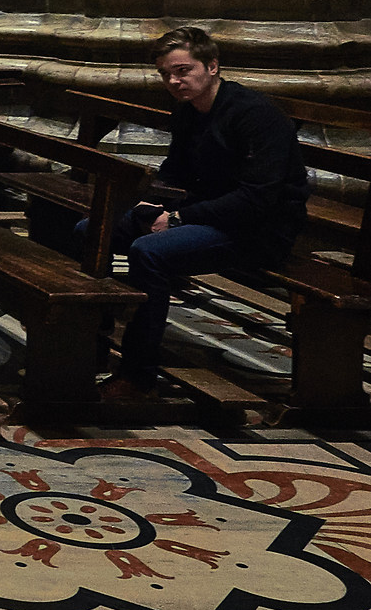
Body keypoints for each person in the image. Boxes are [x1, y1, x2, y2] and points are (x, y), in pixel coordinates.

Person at [96, 26, 308, 408]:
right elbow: (175, 171)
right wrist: (152, 204)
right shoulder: (190, 112)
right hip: (207, 216)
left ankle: (138, 377)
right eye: (165, 74)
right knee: (91, 230)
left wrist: (177, 218)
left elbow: (257, 198)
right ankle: (88, 346)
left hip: (258, 232)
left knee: (149, 252)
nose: (173, 81)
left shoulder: (256, 116)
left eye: (182, 71)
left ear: (212, 66)